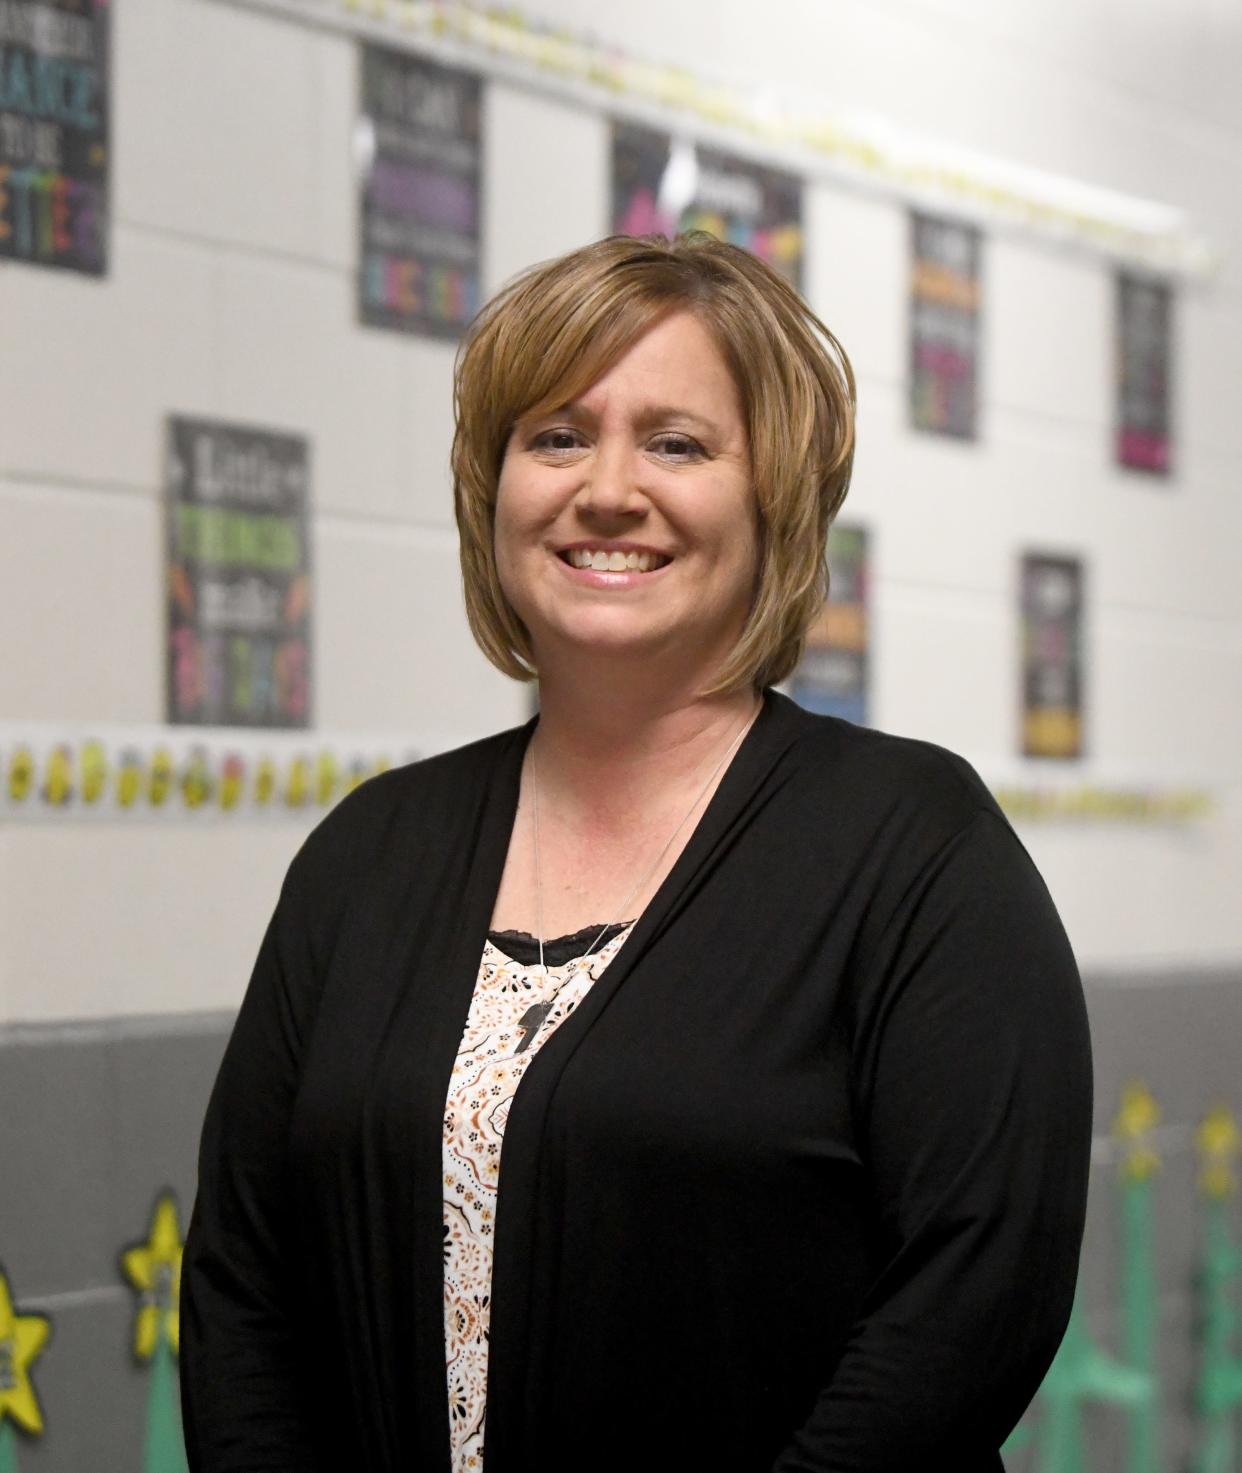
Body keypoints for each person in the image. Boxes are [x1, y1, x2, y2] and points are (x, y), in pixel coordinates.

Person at [180, 232, 1093, 1473]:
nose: (607, 489)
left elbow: (973, 1297)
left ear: (771, 499)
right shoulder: (366, 856)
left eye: (677, 443)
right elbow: (242, 1285)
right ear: (492, 490)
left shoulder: (916, 848)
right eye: (557, 436)